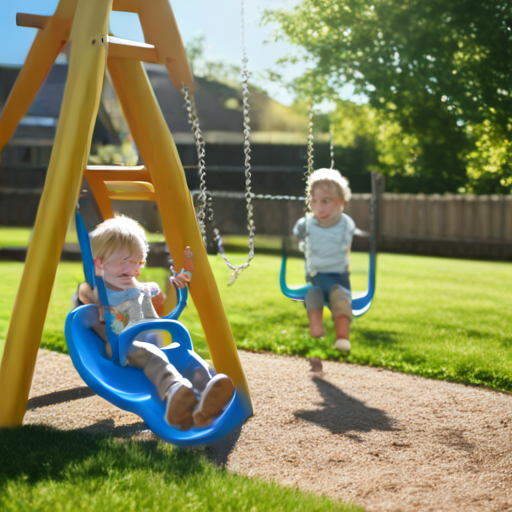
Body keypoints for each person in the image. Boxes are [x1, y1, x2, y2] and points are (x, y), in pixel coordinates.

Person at [74, 215, 234, 431]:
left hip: (155, 342)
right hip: (123, 348)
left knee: (188, 358)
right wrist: (93, 290)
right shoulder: (99, 291)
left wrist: (176, 284)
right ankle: (175, 391)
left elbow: (156, 297)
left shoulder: (139, 287)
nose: (132, 269)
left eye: (137, 262)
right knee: (153, 355)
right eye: (124, 262)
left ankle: (205, 403)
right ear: (100, 263)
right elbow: (85, 300)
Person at [293, 168, 355, 352]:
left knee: (342, 299)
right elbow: (297, 233)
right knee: (312, 295)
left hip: (339, 279)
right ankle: (316, 327)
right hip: (315, 277)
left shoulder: (346, 223)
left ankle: (342, 338)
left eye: (326, 201)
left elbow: (349, 234)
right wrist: (301, 230)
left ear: (341, 203)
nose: (320, 207)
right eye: (314, 201)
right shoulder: (308, 223)